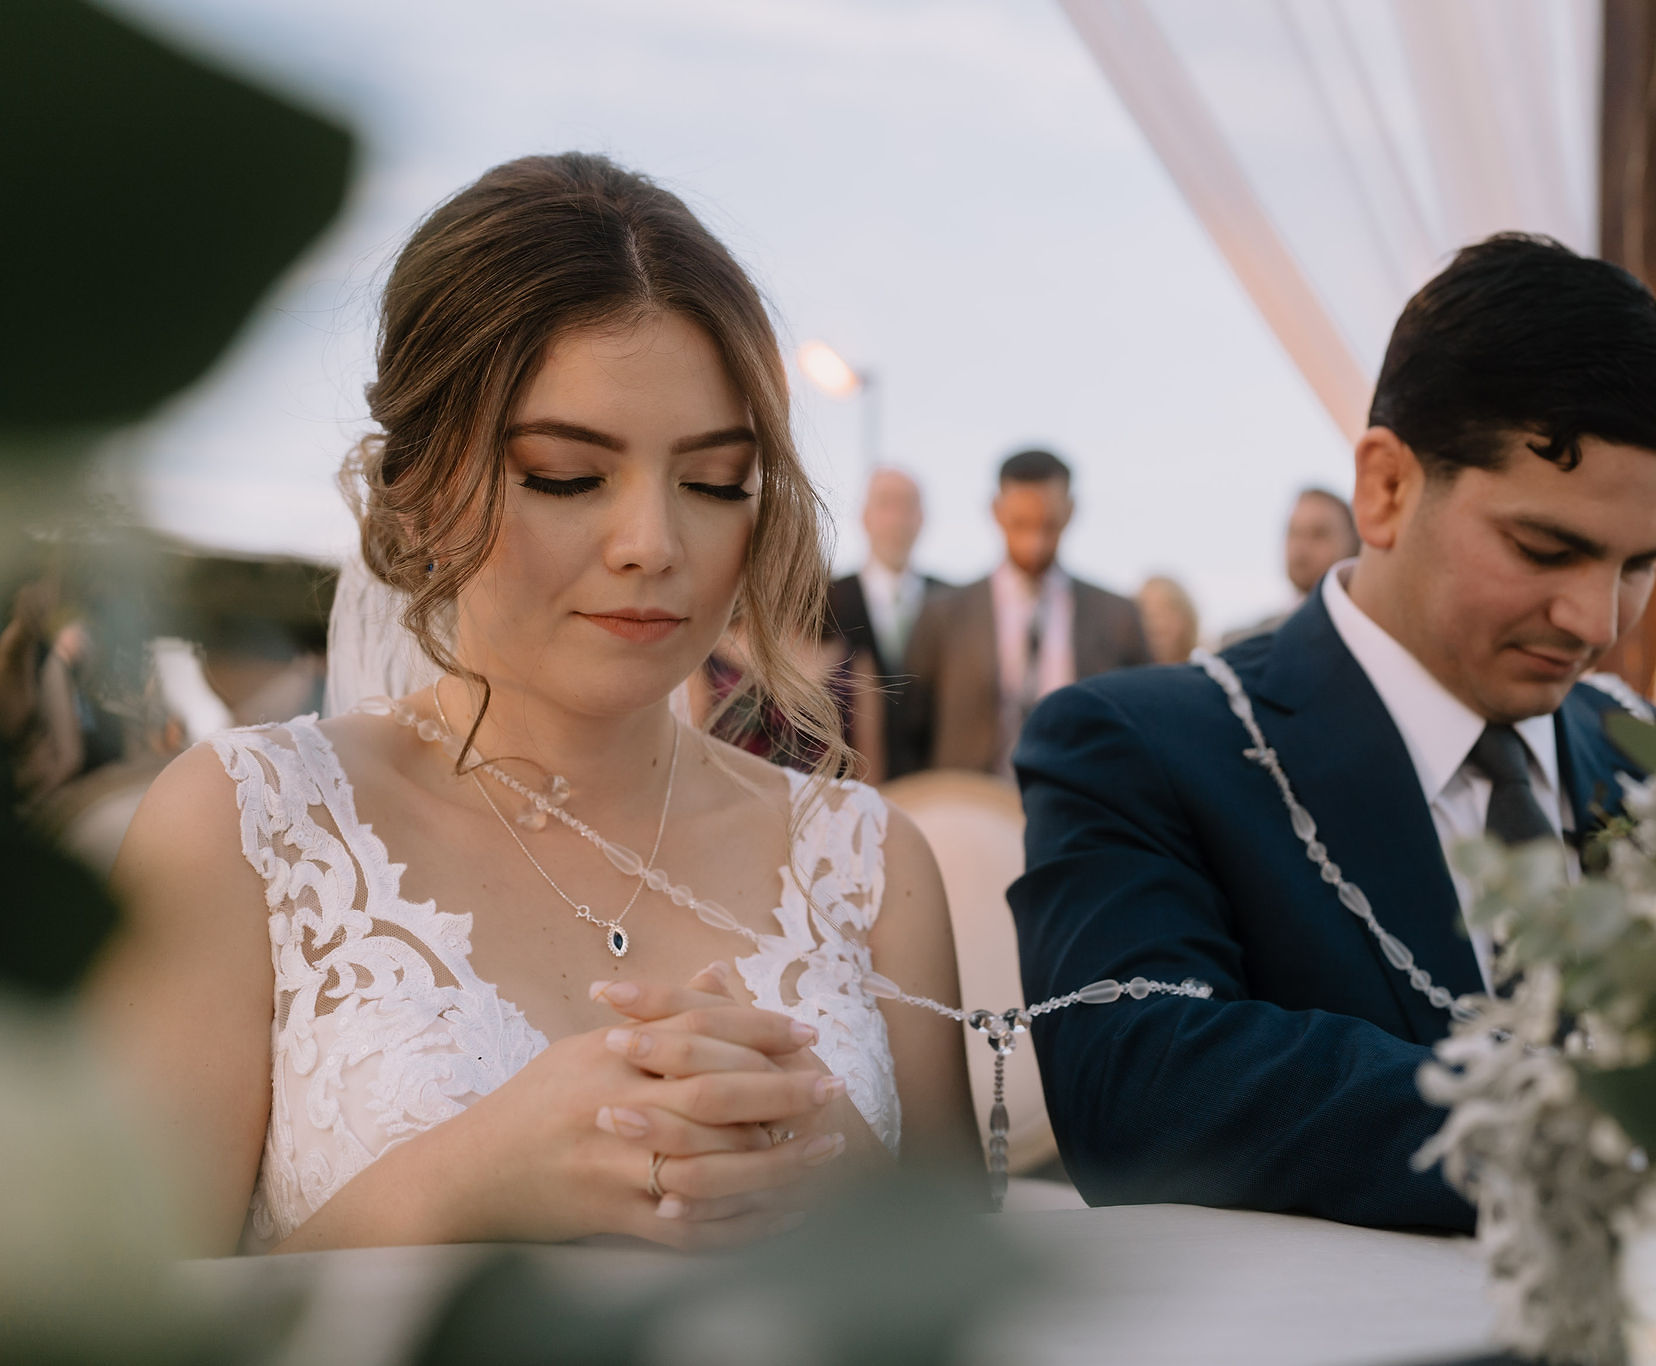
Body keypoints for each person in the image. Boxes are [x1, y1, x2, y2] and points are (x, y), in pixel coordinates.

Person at [88, 153, 978, 1256]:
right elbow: (108, 1318)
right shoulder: (250, 826)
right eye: (565, 473)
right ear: (416, 495)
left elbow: (968, 1299)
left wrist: (836, 1171)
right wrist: (451, 1190)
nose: (652, 544)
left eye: (712, 481)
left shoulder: (868, 862)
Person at [1009, 234, 1656, 1231]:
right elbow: (1133, 1085)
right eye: (1544, 547)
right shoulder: (1141, 746)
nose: (1596, 621)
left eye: (1637, 564)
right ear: (1385, 488)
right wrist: (1602, 1126)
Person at [901, 449, 1149, 778]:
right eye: (1021, 525)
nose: (1035, 543)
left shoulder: (1118, 616)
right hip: (970, 813)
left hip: (1081, 811)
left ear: (1070, 511)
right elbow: (908, 731)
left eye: (1049, 525)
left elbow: (1141, 731)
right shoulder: (941, 616)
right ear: (996, 511)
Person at [824, 468, 948, 781]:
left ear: (922, 519)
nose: (897, 519)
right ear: (864, 517)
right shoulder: (827, 600)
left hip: (934, 784)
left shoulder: (951, 602)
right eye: (886, 505)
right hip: (847, 783)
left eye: (907, 506)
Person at [1220, 487, 1362, 646]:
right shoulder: (1243, 643)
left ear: (1353, 542)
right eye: (1294, 532)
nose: (1301, 547)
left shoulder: (1368, 636)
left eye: (1318, 534)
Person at [1134, 574, 1200, 664]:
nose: (1155, 621)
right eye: (1144, 611)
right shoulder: (1119, 672)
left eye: (1166, 609)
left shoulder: (1208, 669)